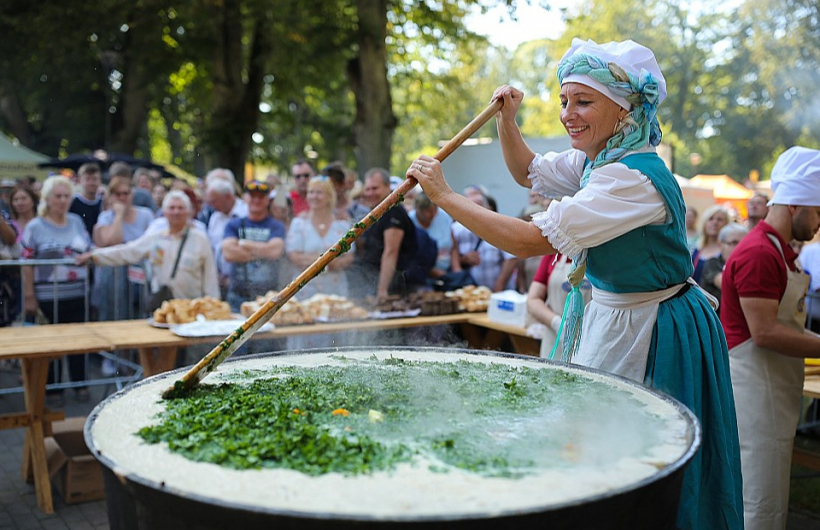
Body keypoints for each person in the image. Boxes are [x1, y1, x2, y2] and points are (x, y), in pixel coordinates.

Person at [407, 38, 742, 529]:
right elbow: (527, 172)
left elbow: (525, 241)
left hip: (653, 326)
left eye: (583, 101)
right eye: (565, 100)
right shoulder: (597, 161)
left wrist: (445, 196)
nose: (568, 114)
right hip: (613, 313)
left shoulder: (632, 178)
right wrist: (507, 121)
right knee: (592, 438)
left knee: (642, 450)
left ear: (624, 110)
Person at [721, 146, 820, 530]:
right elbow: (763, 333)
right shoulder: (761, 253)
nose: (819, 223)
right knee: (756, 504)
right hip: (752, 398)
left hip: (770, 395)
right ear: (795, 205)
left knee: (769, 498)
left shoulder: (780, 252)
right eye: (817, 212)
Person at [21, 176, 93, 405]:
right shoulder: (35, 226)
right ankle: (53, 389)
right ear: (47, 199)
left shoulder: (76, 221)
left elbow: (88, 249)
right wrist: (29, 295)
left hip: (77, 294)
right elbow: (26, 262)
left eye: (66, 196)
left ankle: (80, 384)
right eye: (58, 196)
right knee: (50, 344)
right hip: (47, 296)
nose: (62, 201)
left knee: (78, 341)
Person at [76, 190, 219, 302]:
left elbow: (210, 276)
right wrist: (94, 257)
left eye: (180, 208)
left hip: (192, 309)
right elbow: (127, 251)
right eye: (172, 208)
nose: (176, 212)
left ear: (188, 212)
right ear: (164, 212)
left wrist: (213, 305)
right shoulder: (155, 238)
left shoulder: (200, 239)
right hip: (164, 307)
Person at [350, 168, 418, 299]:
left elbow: (391, 252)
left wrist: (382, 291)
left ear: (388, 186)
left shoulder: (393, 211)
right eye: (367, 189)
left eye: (375, 188)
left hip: (394, 287)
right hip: (370, 280)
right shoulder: (376, 213)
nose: (370, 193)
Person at [93, 177, 155, 321]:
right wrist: (119, 215)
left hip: (140, 277)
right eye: (117, 194)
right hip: (113, 279)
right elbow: (114, 241)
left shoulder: (146, 215)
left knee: (140, 314)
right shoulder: (106, 217)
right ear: (111, 196)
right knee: (115, 314)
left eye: (125, 193)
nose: (122, 198)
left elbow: (150, 243)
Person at [221, 180, 286, 312]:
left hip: (269, 296)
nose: (256, 200)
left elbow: (275, 251)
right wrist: (264, 250)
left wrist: (243, 243)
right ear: (245, 198)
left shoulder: (276, 225)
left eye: (261, 197)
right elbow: (228, 253)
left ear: (268, 200)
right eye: (252, 196)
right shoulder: (234, 224)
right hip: (238, 296)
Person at [526, 254, 592, 357]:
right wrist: (557, 324)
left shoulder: (600, 256)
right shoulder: (553, 255)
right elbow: (533, 300)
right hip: (554, 341)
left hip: (589, 341)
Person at [451, 190, 517, 292]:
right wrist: (463, 260)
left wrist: (500, 284)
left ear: (489, 209)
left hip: (500, 291)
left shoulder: (501, 229)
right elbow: (450, 257)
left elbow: (511, 258)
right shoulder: (456, 230)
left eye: (478, 207)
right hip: (471, 292)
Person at [698, 223, 748, 310]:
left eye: (744, 243)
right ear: (720, 245)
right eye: (734, 243)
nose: (740, 247)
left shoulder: (748, 265)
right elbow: (727, 284)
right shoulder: (711, 264)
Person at [409, 191, 454, 285]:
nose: (431, 214)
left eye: (434, 210)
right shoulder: (409, 221)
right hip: (419, 276)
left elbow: (454, 246)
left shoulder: (444, 217)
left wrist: (456, 271)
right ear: (417, 208)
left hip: (446, 271)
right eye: (428, 211)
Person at [691, 204, 731, 283]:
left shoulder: (728, 251)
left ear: (727, 224)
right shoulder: (695, 249)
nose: (714, 222)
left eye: (719, 219)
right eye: (710, 219)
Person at [69, 162, 104, 237]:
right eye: (87, 179)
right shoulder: (71, 203)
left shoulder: (104, 203)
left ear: (100, 180)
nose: (91, 183)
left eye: (94, 179)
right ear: (80, 180)